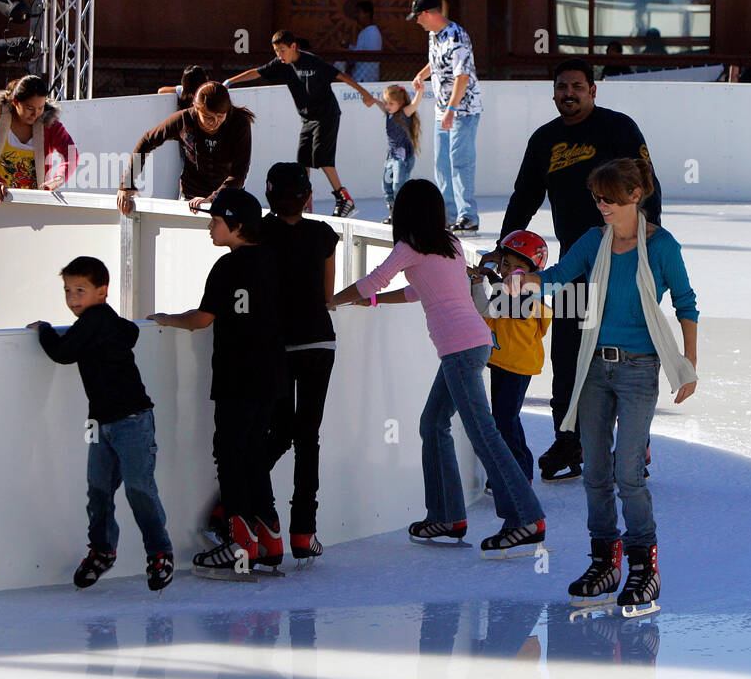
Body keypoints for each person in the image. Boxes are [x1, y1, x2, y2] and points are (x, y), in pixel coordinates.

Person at [508, 157, 698, 614]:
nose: (601, 205)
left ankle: (642, 566)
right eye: (597, 198)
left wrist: (689, 363)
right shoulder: (594, 240)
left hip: (639, 369)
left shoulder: (663, 246)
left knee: (628, 473)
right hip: (593, 366)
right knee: (594, 472)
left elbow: (686, 302)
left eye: (609, 198)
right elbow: (557, 278)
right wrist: (525, 281)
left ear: (636, 196)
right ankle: (603, 561)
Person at [327, 178, 546, 556]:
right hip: (472, 344)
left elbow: (376, 278)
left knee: (484, 434)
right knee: (433, 424)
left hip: (461, 349)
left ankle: (525, 518)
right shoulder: (449, 245)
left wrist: (330, 302)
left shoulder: (411, 245)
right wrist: (375, 302)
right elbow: (418, 291)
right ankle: (447, 516)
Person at [500, 57, 663, 482]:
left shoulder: (618, 128)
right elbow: (524, 197)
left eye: (577, 86)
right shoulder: (544, 140)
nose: (568, 94)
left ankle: (632, 442)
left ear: (593, 90)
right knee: (568, 352)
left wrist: (647, 240)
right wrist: (506, 249)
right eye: (561, 87)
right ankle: (569, 438)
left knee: (622, 353)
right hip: (575, 264)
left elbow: (648, 184)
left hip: (622, 260)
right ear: (553, 92)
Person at [149, 187, 288, 576]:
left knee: (230, 454)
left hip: (237, 376)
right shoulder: (271, 260)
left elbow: (202, 318)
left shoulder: (227, 268)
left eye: (216, 221)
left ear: (237, 226)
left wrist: (164, 319)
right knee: (254, 454)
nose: (211, 227)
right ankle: (270, 540)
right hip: (271, 374)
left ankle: (240, 543)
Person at [26, 256, 174, 591]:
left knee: (137, 488)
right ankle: (103, 550)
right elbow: (131, 331)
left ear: (102, 292)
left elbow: (63, 353)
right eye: (67, 290)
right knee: (100, 489)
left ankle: (159, 552)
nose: (73, 297)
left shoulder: (93, 320)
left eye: (81, 289)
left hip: (132, 420)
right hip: (102, 423)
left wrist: (45, 329)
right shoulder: (103, 319)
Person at [260, 163, 339, 563]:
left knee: (277, 432)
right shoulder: (324, 234)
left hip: (277, 344)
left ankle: (245, 507)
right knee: (308, 437)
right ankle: (303, 533)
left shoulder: (260, 233)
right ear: (308, 197)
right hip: (319, 341)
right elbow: (328, 294)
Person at [224, 30, 376, 218]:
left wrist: (365, 94)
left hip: (327, 115)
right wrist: (230, 82)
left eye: (282, 50)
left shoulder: (313, 62)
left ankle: (344, 199)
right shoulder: (281, 64)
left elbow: (341, 76)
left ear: (293, 47)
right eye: (276, 51)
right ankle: (304, 201)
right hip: (308, 118)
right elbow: (257, 72)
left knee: (321, 157)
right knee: (303, 160)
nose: (279, 55)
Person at [468, 231, 553, 487]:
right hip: (504, 361)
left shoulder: (525, 294)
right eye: (506, 264)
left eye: (518, 268)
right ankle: (511, 472)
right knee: (504, 418)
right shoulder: (513, 287)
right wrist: (491, 272)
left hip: (517, 366)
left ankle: (520, 474)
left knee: (506, 420)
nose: (509, 271)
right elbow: (499, 292)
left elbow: (487, 308)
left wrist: (475, 280)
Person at [117, 81, 254, 216]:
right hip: (191, 196)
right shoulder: (184, 120)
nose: (215, 123)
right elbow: (147, 140)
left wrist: (212, 199)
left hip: (228, 196)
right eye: (208, 117)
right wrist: (127, 183)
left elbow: (239, 171)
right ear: (196, 108)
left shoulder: (239, 123)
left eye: (220, 116)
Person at [408, 0, 483, 233]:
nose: (417, 22)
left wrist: (452, 109)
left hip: (462, 110)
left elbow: (462, 76)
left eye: (418, 17)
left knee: (460, 162)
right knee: (441, 164)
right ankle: (448, 215)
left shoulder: (457, 36)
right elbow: (438, 61)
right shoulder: (434, 35)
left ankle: (468, 216)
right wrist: (422, 74)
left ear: (428, 14)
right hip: (444, 111)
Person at [0, 75, 77, 201]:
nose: (36, 114)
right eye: (30, 108)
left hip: (34, 203)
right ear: (16, 102)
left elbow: (71, 153)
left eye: (41, 108)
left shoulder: (50, 124)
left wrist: (59, 178)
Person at [376, 83, 423, 222]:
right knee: (386, 185)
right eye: (386, 103)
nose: (387, 106)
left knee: (398, 185)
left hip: (403, 158)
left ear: (400, 103)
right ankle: (393, 212)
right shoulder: (388, 113)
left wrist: (419, 91)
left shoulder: (404, 113)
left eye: (391, 103)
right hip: (392, 156)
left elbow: (414, 104)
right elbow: (380, 104)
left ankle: (403, 213)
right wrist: (372, 100)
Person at [344, 0, 382, 82]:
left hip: (365, 77)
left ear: (367, 14)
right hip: (362, 76)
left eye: (358, 12)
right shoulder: (366, 32)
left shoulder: (372, 33)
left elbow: (363, 54)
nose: (356, 16)